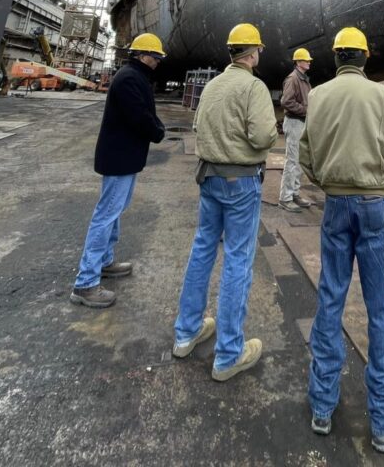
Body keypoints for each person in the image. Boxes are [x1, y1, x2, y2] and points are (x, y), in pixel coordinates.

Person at [299, 27, 384, 454]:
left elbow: (307, 155)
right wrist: (377, 173)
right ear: (366, 58)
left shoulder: (318, 96)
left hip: (335, 204)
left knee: (330, 297)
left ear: (335, 58)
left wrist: (330, 177)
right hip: (374, 205)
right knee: (381, 307)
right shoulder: (381, 97)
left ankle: (322, 407)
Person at [173, 23, 277, 381]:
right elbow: (264, 135)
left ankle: (186, 333)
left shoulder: (212, 85)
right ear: (253, 53)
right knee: (237, 259)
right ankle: (229, 354)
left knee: (202, 249)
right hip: (241, 182)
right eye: (259, 50)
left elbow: (199, 128)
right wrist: (260, 146)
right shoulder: (253, 86)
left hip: (209, 178)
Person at [70, 33, 166, 309]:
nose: (158, 62)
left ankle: (105, 261)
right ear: (144, 56)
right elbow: (139, 116)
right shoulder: (129, 79)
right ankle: (86, 282)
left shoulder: (132, 76)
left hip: (124, 157)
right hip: (120, 158)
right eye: (156, 57)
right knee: (106, 213)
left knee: (114, 209)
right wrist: (157, 132)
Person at [278, 48, 313, 212]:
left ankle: (295, 194)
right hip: (294, 123)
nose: (309, 62)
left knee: (299, 161)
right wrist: (306, 111)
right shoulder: (293, 79)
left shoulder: (304, 79)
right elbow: (286, 101)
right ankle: (285, 198)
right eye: (306, 60)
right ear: (298, 62)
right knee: (292, 162)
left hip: (301, 122)